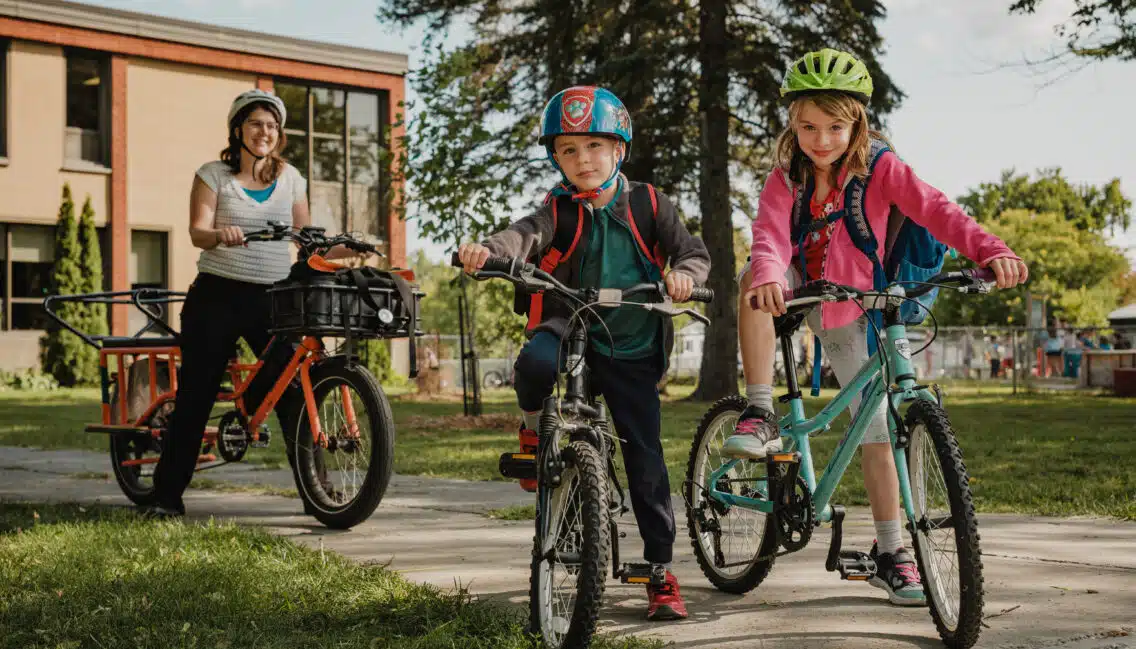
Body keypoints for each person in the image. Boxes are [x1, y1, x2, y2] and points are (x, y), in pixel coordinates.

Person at [723, 49, 1029, 606]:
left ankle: (894, 553)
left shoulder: (880, 167)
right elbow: (770, 235)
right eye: (808, 126)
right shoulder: (784, 177)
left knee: (878, 432)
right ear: (792, 121)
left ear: (857, 122)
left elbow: (938, 209)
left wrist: (992, 249)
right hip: (790, 286)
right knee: (750, 276)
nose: (820, 140)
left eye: (835, 127)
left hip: (853, 303)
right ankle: (760, 409)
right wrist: (769, 274)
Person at [456, 86, 710, 621]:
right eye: (568, 150)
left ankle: (661, 571)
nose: (582, 160)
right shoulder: (558, 206)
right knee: (533, 365)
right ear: (556, 158)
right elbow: (525, 235)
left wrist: (684, 276)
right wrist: (490, 251)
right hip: (568, 324)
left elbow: (691, 252)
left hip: (632, 338)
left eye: (595, 145)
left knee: (645, 459)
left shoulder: (648, 203)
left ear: (619, 150)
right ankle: (531, 428)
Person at [149, 90, 361, 518]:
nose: (264, 132)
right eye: (255, 123)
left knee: (291, 393)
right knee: (197, 395)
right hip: (217, 294)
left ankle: (317, 491)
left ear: (278, 134)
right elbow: (196, 232)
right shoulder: (214, 175)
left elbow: (306, 239)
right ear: (238, 130)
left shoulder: (292, 179)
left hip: (272, 297)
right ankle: (166, 497)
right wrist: (219, 235)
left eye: (271, 125)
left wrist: (349, 250)